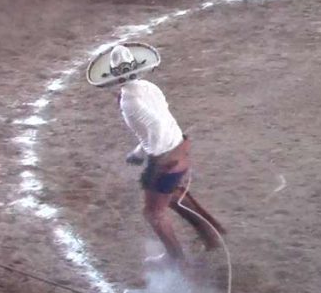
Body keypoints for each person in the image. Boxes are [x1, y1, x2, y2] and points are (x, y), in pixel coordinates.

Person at [90, 44, 225, 263]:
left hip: (166, 156)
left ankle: (176, 260)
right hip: (179, 145)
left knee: (153, 213)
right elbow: (161, 120)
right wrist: (141, 151)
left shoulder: (129, 101)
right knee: (170, 196)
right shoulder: (149, 87)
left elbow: (155, 129)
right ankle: (210, 234)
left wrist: (151, 158)